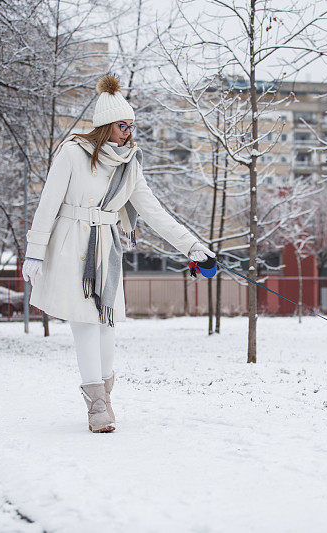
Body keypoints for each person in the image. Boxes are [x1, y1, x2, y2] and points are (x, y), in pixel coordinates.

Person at [21, 74, 214, 433]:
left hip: (106, 248)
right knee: (84, 326)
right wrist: (34, 252)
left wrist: (193, 246)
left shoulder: (130, 165)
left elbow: (154, 212)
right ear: (106, 125)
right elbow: (48, 203)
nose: (128, 131)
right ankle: (96, 407)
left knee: (106, 326)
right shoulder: (72, 153)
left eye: (131, 125)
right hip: (70, 246)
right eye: (123, 125)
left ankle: (104, 398)